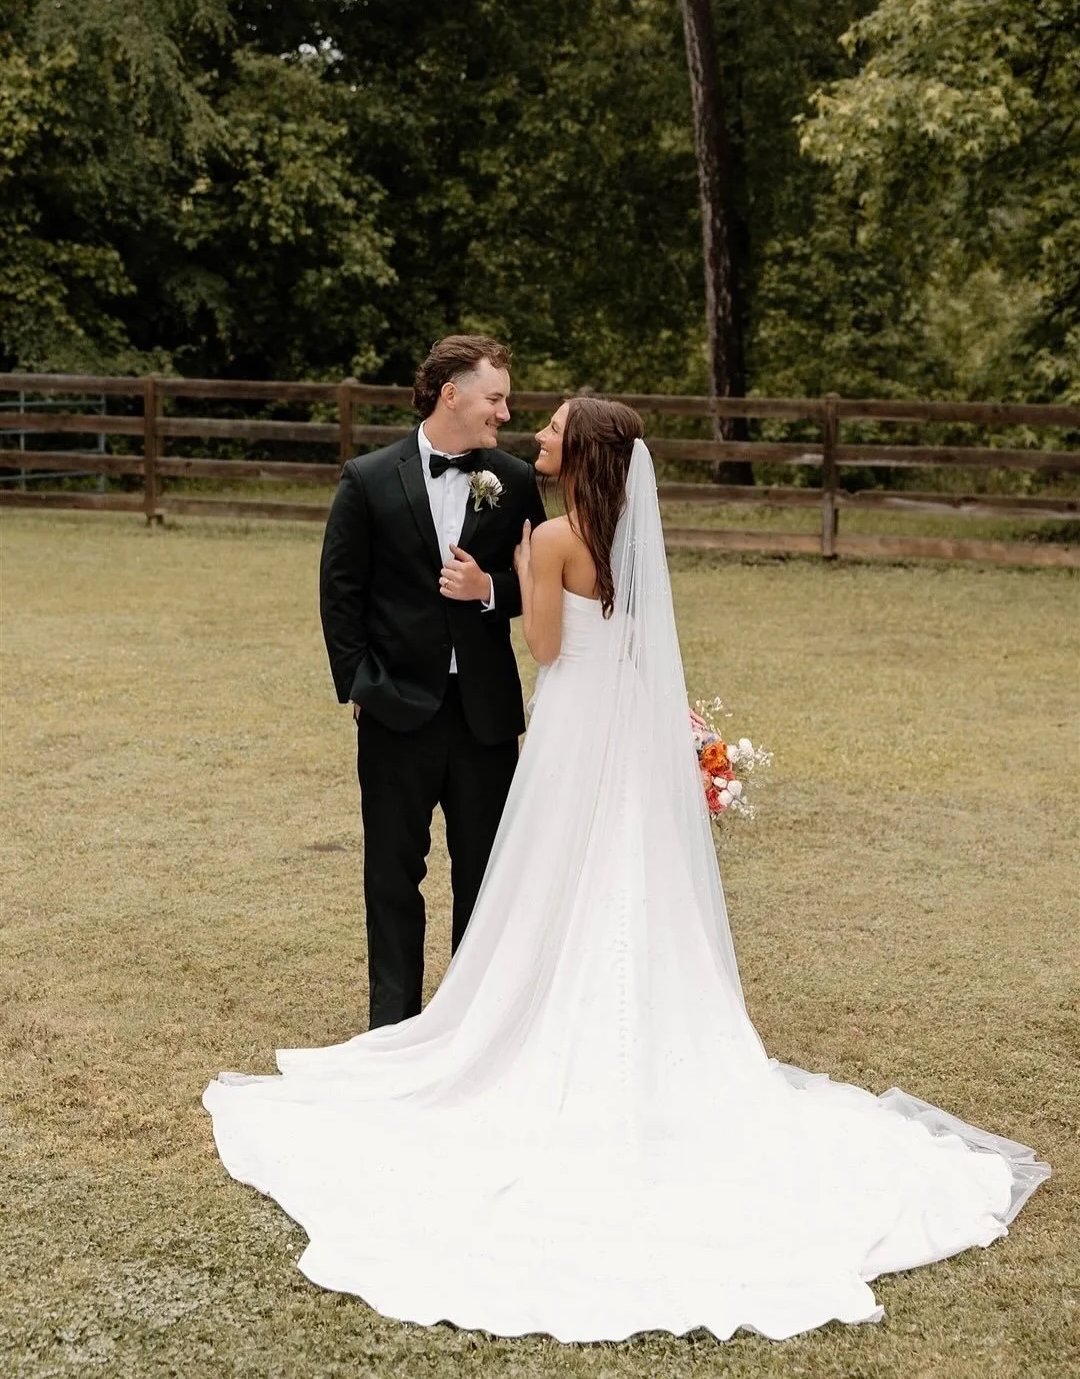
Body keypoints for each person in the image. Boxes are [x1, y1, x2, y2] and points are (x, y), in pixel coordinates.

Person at [206, 398, 1048, 1343]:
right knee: (627, 883)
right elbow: (640, 647)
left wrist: (521, 575)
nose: (537, 437)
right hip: (627, 735)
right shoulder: (631, 539)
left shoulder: (560, 537)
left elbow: (548, 649)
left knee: (552, 881)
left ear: (583, 452)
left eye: (554, 427)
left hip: (572, 729)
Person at [318, 334, 546, 1029]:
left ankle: (471, 1026)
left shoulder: (514, 479)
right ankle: (392, 1026)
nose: (505, 413)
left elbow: (544, 586)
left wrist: (487, 589)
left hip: (483, 714)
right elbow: (340, 589)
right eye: (496, 397)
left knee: (484, 874)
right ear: (453, 393)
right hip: (395, 707)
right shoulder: (368, 477)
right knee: (392, 873)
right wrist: (361, 684)